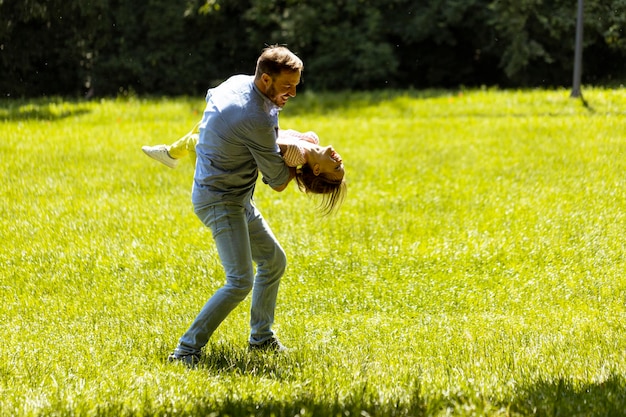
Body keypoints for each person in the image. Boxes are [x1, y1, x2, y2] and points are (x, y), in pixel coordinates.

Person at [167, 45, 312, 366]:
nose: (293, 93)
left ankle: (261, 339)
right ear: (264, 80)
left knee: (274, 262)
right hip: (220, 201)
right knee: (240, 280)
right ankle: (185, 350)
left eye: (296, 86)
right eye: (287, 86)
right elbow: (277, 181)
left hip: (233, 196)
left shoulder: (235, 83)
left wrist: (287, 140)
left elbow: (214, 100)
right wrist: (298, 158)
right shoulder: (254, 116)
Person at [142, 127, 346, 213]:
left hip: (233, 152)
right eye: (341, 164)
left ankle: (185, 164)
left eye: (336, 166)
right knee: (203, 124)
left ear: (317, 169)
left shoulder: (296, 154)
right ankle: (169, 153)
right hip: (238, 139)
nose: (340, 160)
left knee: (195, 141)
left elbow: (266, 141)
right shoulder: (312, 141)